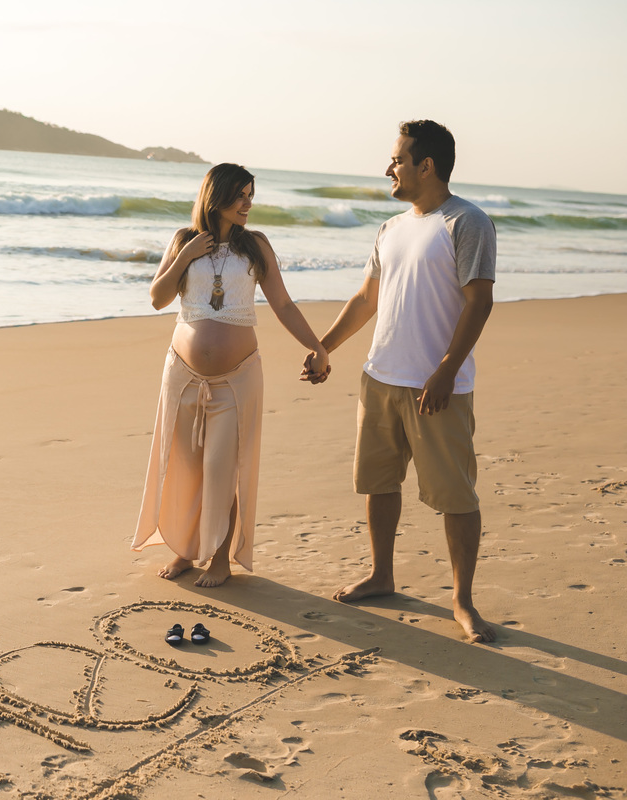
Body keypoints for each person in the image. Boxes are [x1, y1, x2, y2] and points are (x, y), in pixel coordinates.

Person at [306, 120, 497, 643]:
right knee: (379, 482)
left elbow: (479, 302)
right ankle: (382, 573)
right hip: (380, 377)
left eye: (397, 159)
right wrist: (325, 347)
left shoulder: (467, 222)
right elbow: (367, 299)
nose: (389, 168)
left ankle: (462, 601)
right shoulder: (391, 228)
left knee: (455, 495)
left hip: (436, 386)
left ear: (426, 166)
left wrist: (446, 370)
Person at [132, 163, 329, 587]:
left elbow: (283, 304)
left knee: (226, 468)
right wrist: (186, 257)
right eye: (240, 195)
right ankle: (186, 551)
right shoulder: (184, 241)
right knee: (185, 465)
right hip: (182, 376)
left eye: (250, 194)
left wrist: (318, 346)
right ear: (215, 195)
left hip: (237, 379)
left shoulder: (256, 245)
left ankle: (221, 557)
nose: (248, 203)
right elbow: (156, 298)